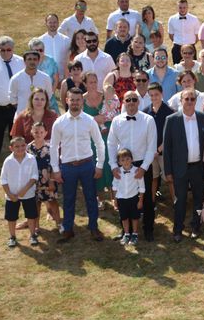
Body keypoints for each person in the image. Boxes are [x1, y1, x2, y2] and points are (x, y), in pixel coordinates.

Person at [50, 88, 106, 242]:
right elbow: (53, 147)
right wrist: (55, 169)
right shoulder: (59, 123)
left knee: (91, 198)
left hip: (87, 165)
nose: (75, 103)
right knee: (68, 199)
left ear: (82, 101)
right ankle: (68, 229)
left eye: (78, 100)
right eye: (72, 100)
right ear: (67, 100)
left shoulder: (89, 121)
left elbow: (99, 144)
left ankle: (93, 227)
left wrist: (99, 165)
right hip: (67, 167)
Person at [107, 90, 157, 242]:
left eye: (134, 99)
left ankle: (148, 230)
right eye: (128, 100)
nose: (131, 102)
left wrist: (144, 167)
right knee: (123, 198)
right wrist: (113, 165)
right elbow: (111, 143)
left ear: (139, 102)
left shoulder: (148, 120)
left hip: (143, 164)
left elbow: (151, 146)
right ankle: (125, 231)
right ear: (123, 102)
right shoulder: (116, 121)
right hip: (123, 165)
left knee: (147, 198)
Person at [163, 88, 204, 242]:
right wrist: (168, 171)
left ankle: (195, 226)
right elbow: (167, 148)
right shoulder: (171, 120)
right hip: (180, 169)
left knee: (198, 199)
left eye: (192, 99)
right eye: (187, 99)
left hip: (198, 167)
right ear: (181, 101)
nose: (190, 102)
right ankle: (178, 229)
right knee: (180, 200)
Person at [82, 74, 114, 210]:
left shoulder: (106, 95)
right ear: (85, 84)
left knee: (109, 162)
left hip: (107, 134)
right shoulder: (81, 100)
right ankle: (99, 197)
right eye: (90, 82)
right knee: (96, 164)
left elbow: (114, 110)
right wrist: (95, 119)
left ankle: (114, 196)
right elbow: (79, 119)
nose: (93, 85)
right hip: (91, 137)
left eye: (95, 82)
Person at [0, 136, 39, 248]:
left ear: (26, 146)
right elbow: (3, 180)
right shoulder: (8, 161)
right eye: (16, 146)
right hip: (11, 196)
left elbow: (34, 176)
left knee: (31, 215)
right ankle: (12, 237)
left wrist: (25, 190)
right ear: (11, 148)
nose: (20, 148)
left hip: (28, 194)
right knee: (11, 217)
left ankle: (32, 235)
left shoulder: (31, 159)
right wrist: (9, 194)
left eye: (22, 145)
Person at [144, 83, 175, 211]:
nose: (154, 97)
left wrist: (159, 150)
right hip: (151, 153)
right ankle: (152, 203)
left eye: (156, 94)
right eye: (151, 95)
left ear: (161, 94)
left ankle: (176, 202)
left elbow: (169, 134)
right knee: (153, 178)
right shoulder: (145, 112)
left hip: (164, 151)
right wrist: (151, 150)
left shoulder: (169, 112)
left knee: (169, 178)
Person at [0, 36, 24, 169]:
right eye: (2, 50)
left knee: (17, 138)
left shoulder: (21, 62)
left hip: (16, 108)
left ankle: (18, 165)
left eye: (8, 50)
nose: (5, 53)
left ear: (13, 49)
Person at [27, 121, 62, 233]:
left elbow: (55, 164)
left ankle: (59, 224)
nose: (38, 134)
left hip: (48, 180)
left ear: (46, 133)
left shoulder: (51, 147)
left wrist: (52, 180)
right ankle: (36, 226)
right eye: (36, 132)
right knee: (36, 204)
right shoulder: (28, 148)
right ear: (32, 132)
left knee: (53, 202)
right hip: (34, 181)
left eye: (41, 132)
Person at [112, 148, 145, 246]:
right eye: (122, 160)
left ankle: (134, 234)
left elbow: (142, 187)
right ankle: (126, 234)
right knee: (124, 217)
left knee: (135, 217)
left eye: (127, 159)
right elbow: (115, 186)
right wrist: (115, 200)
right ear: (119, 162)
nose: (125, 162)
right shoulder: (117, 172)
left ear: (131, 159)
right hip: (121, 199)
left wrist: (140, 201)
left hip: (134, 198)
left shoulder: (137, 171)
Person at [9, 51, 53, 119]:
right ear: (24, 61)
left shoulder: (45, 78)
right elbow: (12, 99)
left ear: (38, 61)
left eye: (35, 59)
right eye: (29, 59)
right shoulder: (16, 78)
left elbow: (48, 96)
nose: (32, 62)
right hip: (21, 117)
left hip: (41, 117)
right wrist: (25, 108)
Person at [29, 38, 60, 114]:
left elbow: (56, 79)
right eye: (35, 51)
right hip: (35, 99)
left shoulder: (51, 61)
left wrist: (50, 93)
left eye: (40, 50)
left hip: (49, 97)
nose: (38, 52)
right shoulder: (28, 63)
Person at [168, 0, 200, 64]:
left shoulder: (194, 19)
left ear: (187, 7)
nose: (182, 9)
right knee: (178, 69)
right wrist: (178, 42)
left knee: (193, 69)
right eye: (180, 7)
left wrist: (190, 44)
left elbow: (197, 35)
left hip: (191, 47)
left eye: (184, 7)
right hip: (177, 48)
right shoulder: (172, 19)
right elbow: (171, 35)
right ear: (177, 8)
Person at [40, 13, 70, 78]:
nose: (52, 24)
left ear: (58, 23)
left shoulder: (66, 40)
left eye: (55, 22)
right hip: (47, 77)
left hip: (62, 76)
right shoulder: (40, 40)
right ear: (46, 23)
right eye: (50, 22)